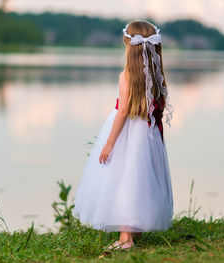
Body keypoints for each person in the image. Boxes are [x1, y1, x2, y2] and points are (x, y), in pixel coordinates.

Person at [73, 20, 174, 250]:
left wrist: (109, 143)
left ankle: (125, 237)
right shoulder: (157, 75)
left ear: (130, 45)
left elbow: (123, 111)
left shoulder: (127, 75)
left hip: (127, 134)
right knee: (141, 180)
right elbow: (158, 108)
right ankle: (135, 231)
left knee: (123, 181)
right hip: (147, 134)